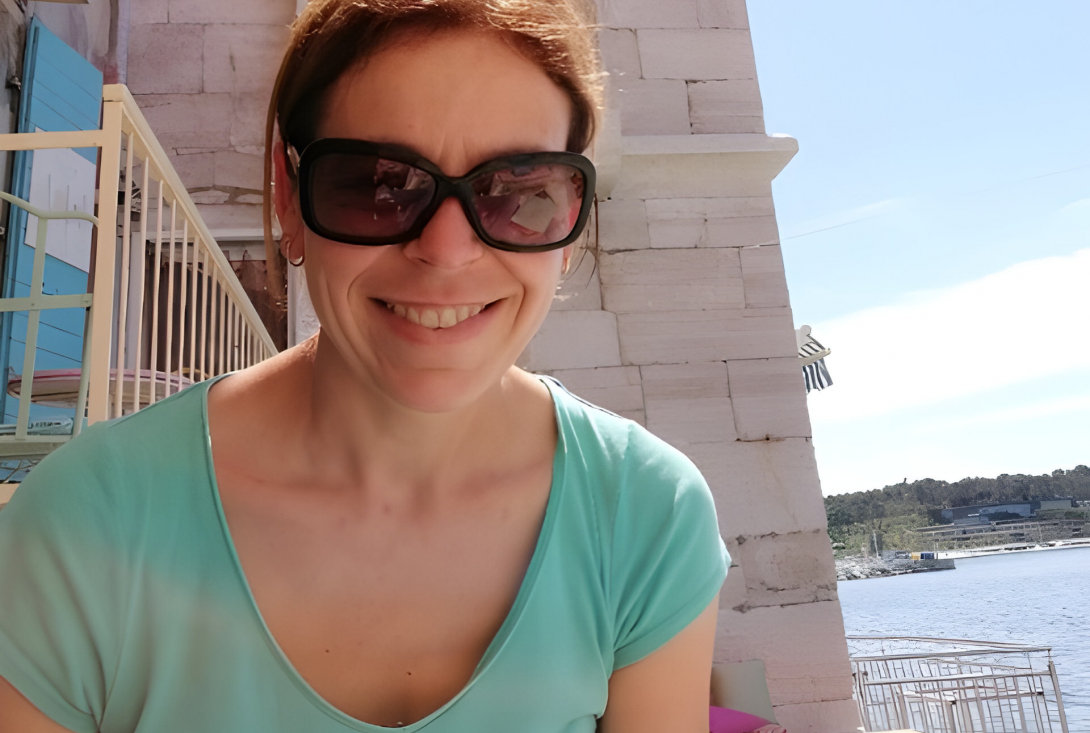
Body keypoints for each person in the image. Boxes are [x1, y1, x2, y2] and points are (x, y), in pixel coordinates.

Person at [0, 1, 728, 731]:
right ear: (289, 197)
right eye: (379, 184)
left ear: (569, 220)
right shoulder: (82, 526)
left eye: (518, 191)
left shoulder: (646, 516)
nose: (446, 252)